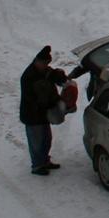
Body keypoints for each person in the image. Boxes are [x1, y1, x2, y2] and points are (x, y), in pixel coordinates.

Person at [19, 46, 65, 175]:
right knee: (36, 142)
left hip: (41, 114)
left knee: (46, 139)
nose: (46, 66)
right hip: (32, 115)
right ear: (37, 61)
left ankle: (44, 160)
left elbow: (53, 75)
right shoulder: (29, 76)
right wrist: (53, 102)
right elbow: (40, 96)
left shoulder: (43, 71)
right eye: (44, 63)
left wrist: (61, 77)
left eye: (47, 64)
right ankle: (37, 165)